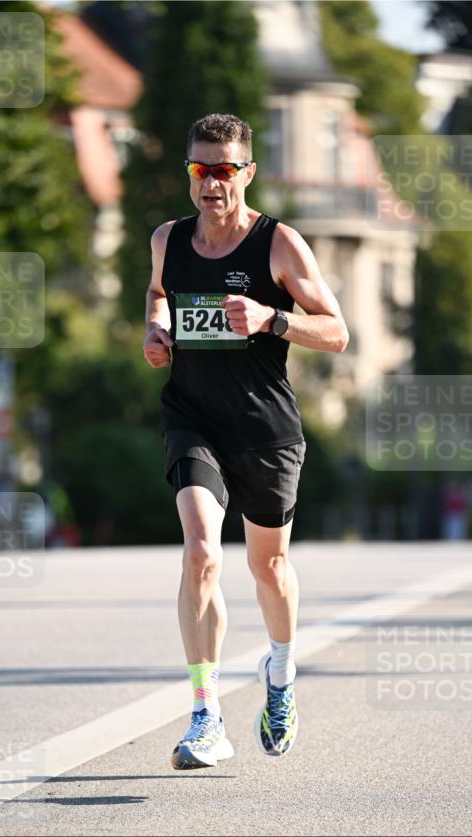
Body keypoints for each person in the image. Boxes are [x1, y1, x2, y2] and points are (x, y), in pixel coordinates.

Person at [143, 113, 349, 770]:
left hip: (264, 430)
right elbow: (157, 295)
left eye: (223, 170)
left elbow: (337, 332)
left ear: (246, 173)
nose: (210, 183)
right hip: (193, 417)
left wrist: (272, 317)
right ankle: (205, 715)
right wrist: (155, 330)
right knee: (201, 554)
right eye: (199, 169)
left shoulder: (277, 244)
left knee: (268, 568)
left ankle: (280, 676)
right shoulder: (166, 240)